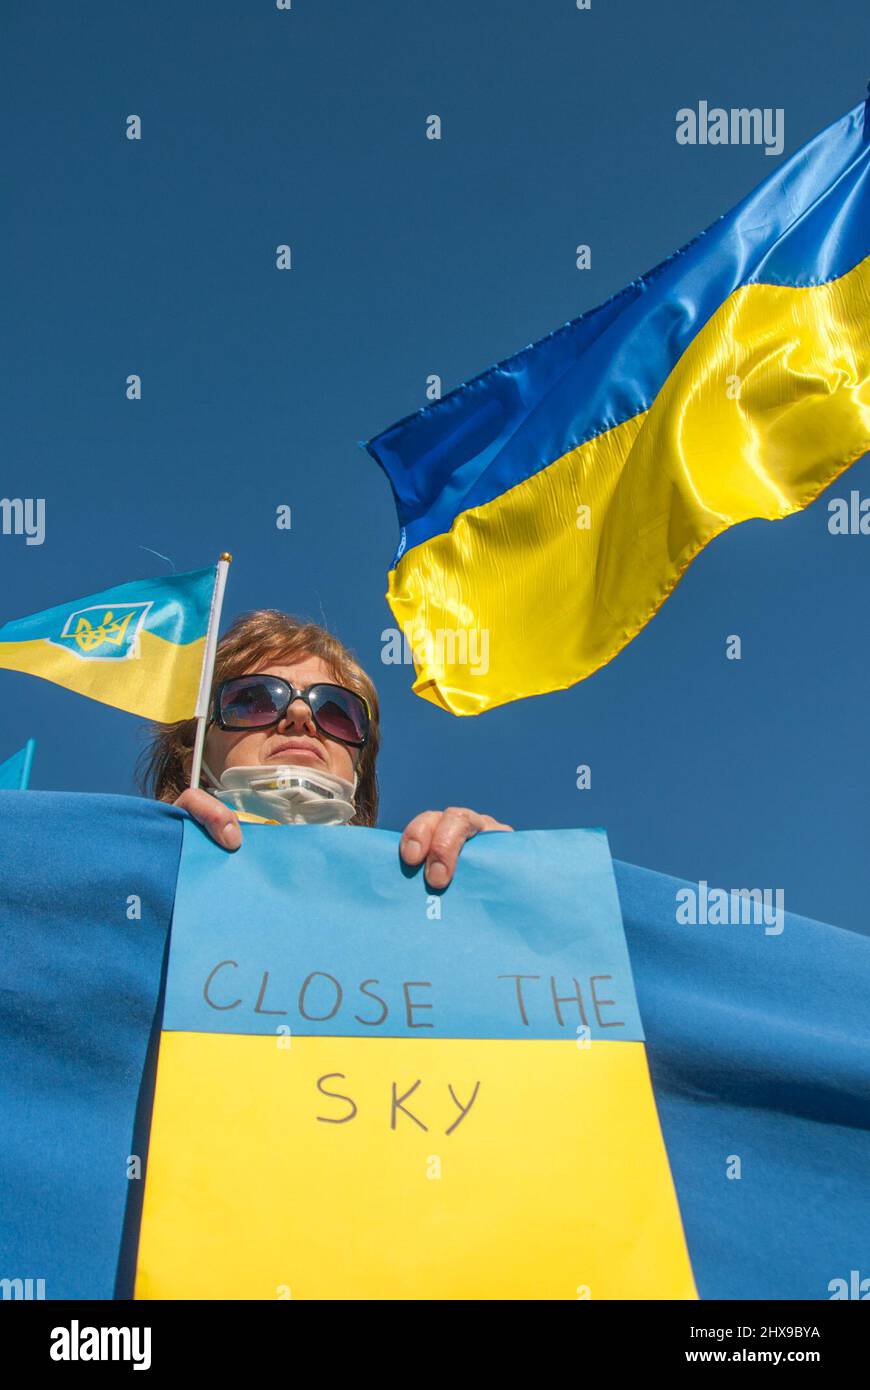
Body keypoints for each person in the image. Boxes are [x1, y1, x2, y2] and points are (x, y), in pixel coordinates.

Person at [138, 608, 512, 887]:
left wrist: (505, 874)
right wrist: (149, 862)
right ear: (194, 748)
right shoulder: (139, 875)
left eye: (336, 711)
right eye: (255, 699)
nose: (300, 713)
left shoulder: (420, 893)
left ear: (358, 767)